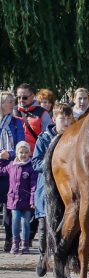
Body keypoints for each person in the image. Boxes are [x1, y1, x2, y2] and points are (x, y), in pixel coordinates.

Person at [31, 102, 73, 274]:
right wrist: (53, 164)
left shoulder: (73, 138)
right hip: (46, 191)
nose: (66, 123)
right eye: (62, 118)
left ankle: (64, 268)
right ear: (55, 119)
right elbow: (35, 163)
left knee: (65, 232)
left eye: (69, 119)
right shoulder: (44, 138)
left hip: (67, 192)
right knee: (44, 231)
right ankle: (43, 255)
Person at [0, 141, 37, 254]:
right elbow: (1, 171)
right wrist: (1, 159)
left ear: (29, 153)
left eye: (26, 152)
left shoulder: (31, 167)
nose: (23, 155)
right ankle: (15, 243)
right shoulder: (11, 165)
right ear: (17, 153)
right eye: (21, 152)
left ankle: (25, 244)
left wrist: (32, 200)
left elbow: (33, 185)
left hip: (26, 201)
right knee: (15, 221)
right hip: (13, 200)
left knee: (25, 222)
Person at [1, 91, 26, 252]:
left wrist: (9, 154)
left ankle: (10, 239)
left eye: (12, 101)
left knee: (8, 204)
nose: (13, 104)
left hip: (10, 165)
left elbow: (21, 144)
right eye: (9, 101)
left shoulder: (16, 122)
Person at [14, 84, 51, 153]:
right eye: (19, 97)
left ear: (33, 96)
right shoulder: (13, 112)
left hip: (34, 156)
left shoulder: (42, 113)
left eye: (24, 97)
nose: (21, 100)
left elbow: (48, 138)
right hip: (16, 156)